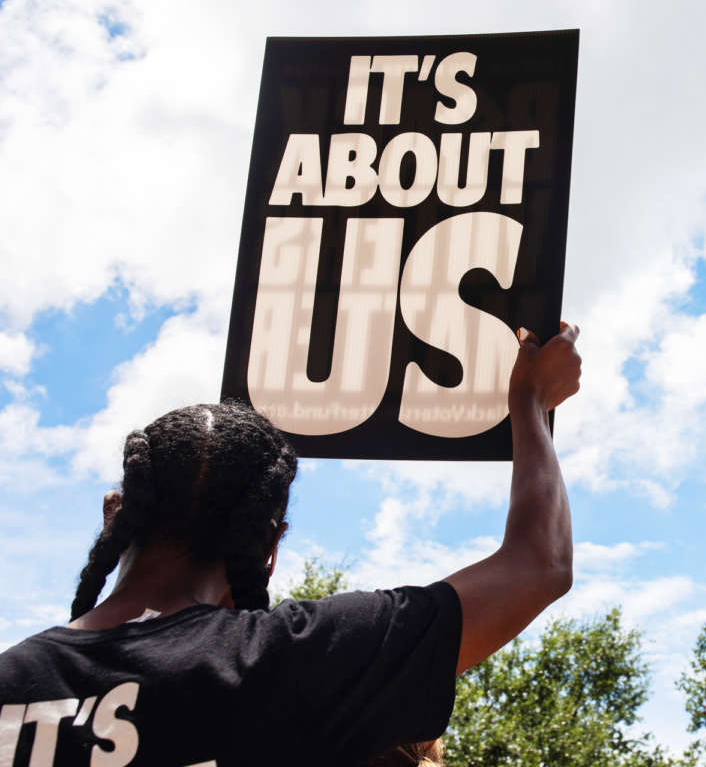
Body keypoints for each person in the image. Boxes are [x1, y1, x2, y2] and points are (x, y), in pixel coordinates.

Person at [0, 323, 581, 766]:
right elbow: (540, 564)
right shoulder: (283, 664)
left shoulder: (11, 680)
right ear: (268, 547)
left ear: (116, 518)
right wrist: (529, 403)